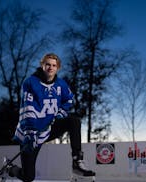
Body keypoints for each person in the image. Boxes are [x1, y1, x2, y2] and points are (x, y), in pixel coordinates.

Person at [6, 53, 95, 182]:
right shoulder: (30, 82)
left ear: (57, 68)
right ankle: (10, 168)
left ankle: (77, 162)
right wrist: (30, 132)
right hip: (30, 133)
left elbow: (68, 100)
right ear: (42, 65)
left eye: (54, 65)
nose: (50, 68)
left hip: (48, 128)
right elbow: (27, 109)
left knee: (74, 122)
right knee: (28, 176)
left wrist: (60, 113)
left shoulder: (61, 84)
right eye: (48, 64)